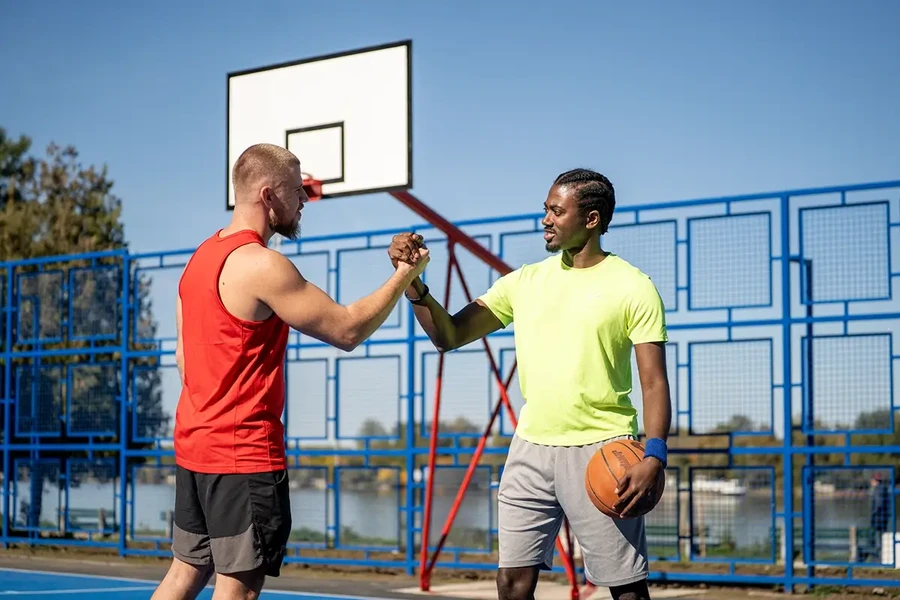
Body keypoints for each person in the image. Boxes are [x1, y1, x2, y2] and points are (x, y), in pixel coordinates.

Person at [151, 143, 430, 600]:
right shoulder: (262, 266)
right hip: (243, 456)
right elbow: (347, 329)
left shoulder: (197, 261)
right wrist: (404, 274)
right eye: (297, 190)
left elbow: (185, 361)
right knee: (238, 590)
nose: (304, 199)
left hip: (194, 449)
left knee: (184, 573)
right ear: (268, 195)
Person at [388, 168, 671, 600]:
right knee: (512, 583)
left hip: (603, 449)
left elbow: (653, 382)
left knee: (626, 588)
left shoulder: (633, 287)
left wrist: (655, 454)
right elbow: (449, 335)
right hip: (530, 448)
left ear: (591, 219)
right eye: (546, 210)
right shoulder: (524, 281)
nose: (545, 219)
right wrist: (412, 284)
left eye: (557, 211)